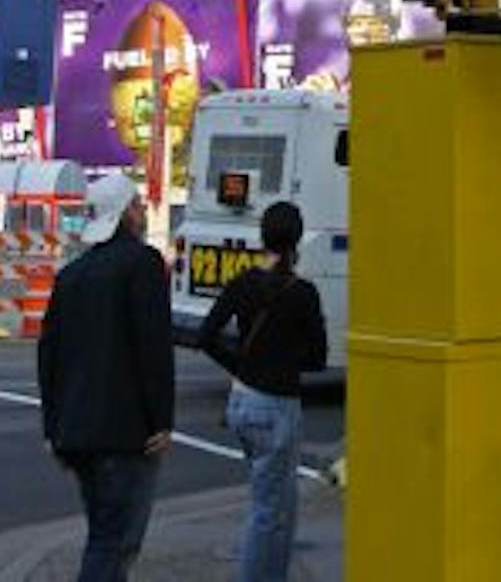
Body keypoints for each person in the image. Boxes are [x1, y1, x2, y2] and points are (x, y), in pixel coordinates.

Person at [37, 172, 175, 581]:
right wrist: (162, 420)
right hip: (126, 432)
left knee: (102, 532)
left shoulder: (72, 275)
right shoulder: (142, 263)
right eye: (136, 205)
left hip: (75, 432)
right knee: (115, 542)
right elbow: (152, 346)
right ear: (125, 214)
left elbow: (50, 355)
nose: (141, 212)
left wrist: (53, 425)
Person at [199, 200, 328, 582]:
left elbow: (207, 335)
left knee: (272, 506)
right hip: (278, 406)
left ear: (263, 236)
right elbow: (318, 358)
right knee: (271, 511)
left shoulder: (242, 283)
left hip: (242, 401)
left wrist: (242, 366)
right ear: (298, 239)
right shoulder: (303, 292)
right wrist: (283, 362)